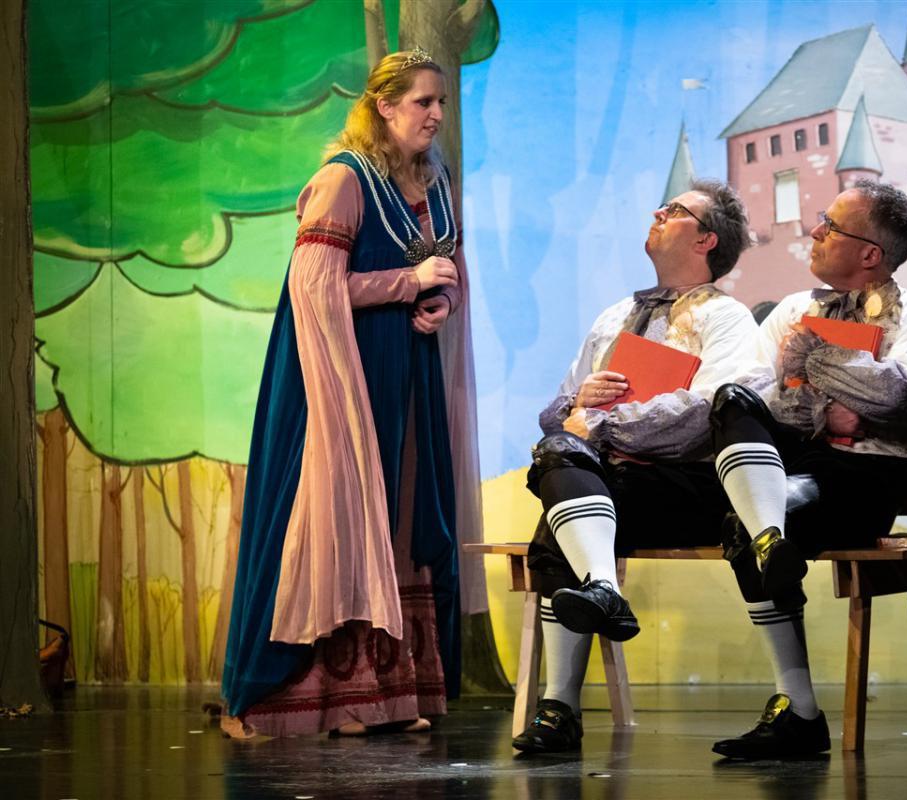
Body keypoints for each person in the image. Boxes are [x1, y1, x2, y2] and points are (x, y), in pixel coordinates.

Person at [220, 48, 475, 738]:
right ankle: (301, 698)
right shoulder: (344, 179)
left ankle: (384, 697)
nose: (436, 114)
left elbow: (446, 266)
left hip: (409, 370)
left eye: (441, 102)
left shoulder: (434, 181)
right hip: (342, 373)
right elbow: (313, 287)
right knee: (334, 514)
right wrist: (408, 283)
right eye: (423, 101)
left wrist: (440, 303)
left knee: (399, 516)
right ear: (384, 106)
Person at [511, 179, 769, 754]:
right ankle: (594, 616)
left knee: (561, 515)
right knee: (563, 474)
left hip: (685, 485)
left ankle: (560, 705)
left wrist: (603, 421)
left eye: (674, 210)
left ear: (705, 239)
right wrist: (581, 402)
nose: (657, 211)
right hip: (611, 481)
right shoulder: (616, 315)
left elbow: (706, 413)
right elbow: (559, 414)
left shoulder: (726, 318)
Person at [708, 180, 907, 760]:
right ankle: (799, 710)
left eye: (831, 225)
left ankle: (798, 714)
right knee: (748, 510)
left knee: (756, 516)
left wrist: (810, 357)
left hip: (866, 479)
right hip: (795, 465)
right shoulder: (793, 309)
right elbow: (752, 391)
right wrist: (827, 404)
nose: (815, 230)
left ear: (869, 254)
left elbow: (893, 391)